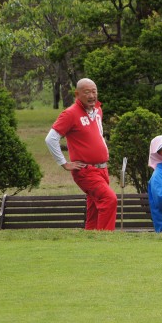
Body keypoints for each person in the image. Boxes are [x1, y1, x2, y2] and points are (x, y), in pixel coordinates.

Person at [45, 78, 117, 231]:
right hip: (86, 171)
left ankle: (90, 239)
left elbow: (98, 132)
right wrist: (64, 163)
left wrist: (103, 149)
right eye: (87, 92)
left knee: (95, 207)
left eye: (94, 91)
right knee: (109, 199)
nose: (92, 95)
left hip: (102, 169)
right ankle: (106, 241)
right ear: (77, 94)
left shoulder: (97, 110)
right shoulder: (70, 114)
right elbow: (51, 138)